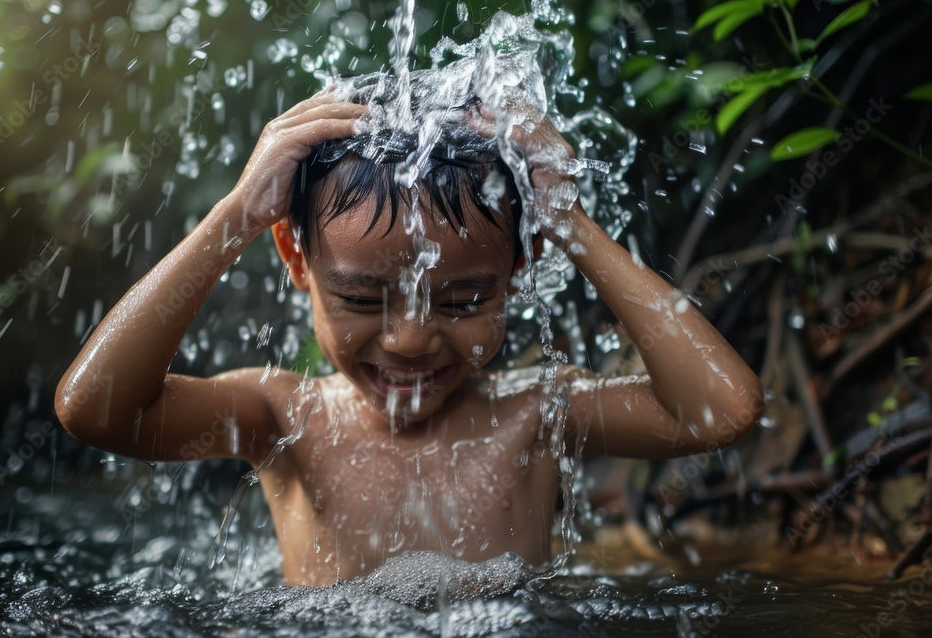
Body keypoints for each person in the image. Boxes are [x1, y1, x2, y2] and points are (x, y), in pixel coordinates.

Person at [55, 75, 764, 587]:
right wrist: (235, 213)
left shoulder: (538, 414)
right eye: (363, 298)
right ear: (297, 259)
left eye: (461, 299)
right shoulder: (280, 419)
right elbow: (96, 408)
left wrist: (569, 220)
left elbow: (723, 409)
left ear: (522, 263)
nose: (409, 339)